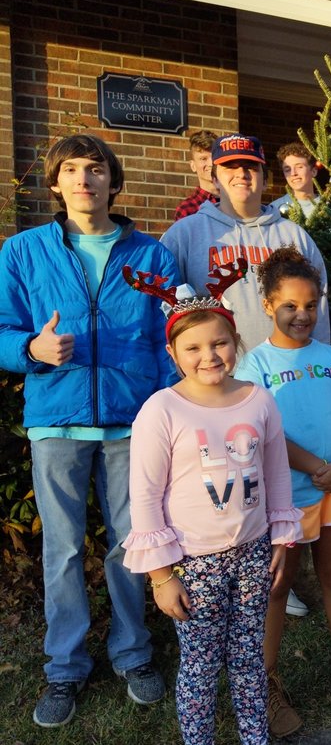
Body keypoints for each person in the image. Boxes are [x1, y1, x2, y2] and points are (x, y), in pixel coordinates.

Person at [0, 134, 176, 728]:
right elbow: (2, 331)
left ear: (113, 181)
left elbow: (169, 335)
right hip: (57, 420)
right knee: (63, 549)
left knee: (135, 543)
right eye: (71, 170)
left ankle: (132, 653)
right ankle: (65, 667)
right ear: (55, 183)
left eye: (95, 169)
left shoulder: (151, 254)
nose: (84, 180)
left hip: (134, 421)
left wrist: (171, 405)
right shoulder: (23, 251)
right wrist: (31, 347)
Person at [122, 263, 301, 744]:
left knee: (248, 657)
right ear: (173, 352)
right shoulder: (162, 410)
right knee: (200, 664)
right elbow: (144, 494)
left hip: (253, 552)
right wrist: (161, 576)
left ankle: (254, 736)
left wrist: (280, 538)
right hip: (195, 561)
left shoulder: (258, 400)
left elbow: (276, 472)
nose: (209, 356)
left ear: (235, 341)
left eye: (219, 343)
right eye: (194, 347)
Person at [235, 248, 331, 736]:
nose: (303, 315)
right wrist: (318, 466)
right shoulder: (254, 366)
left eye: (311, 305)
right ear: (268, 303)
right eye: (291, 305)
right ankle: (266, 683)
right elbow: (266, 432)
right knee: (278, 587)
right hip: (286, 497)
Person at [160, 132, 330, 352]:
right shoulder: (184, 234)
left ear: (265, 179)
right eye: (230, 166)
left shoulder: (294, 236)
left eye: (251, 166)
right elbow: (164, 307)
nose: (241, 173)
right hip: (215, 376)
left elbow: (320, 308)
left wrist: (320, 359)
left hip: (287, 373)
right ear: (214, 179)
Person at [174, 129, 219, 220]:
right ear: (193, 166)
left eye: (214, 157)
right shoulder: (187, 209)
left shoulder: (235, 201)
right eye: (203, 159)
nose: (211, 163)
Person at [271, 141, 321, 220]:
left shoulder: (329, 207)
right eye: (287, 170)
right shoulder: (275, 209)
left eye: (299, 167)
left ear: (313, 171)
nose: (293, 173)